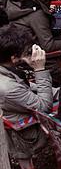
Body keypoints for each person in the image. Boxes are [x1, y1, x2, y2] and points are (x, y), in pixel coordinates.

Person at [0, 25, 51, 160]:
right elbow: (44, 107)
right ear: (14, 58)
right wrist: (40, 69)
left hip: (16, 111)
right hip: (27, 135)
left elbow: (28, 88)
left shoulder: (6, 68)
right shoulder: (8, 87)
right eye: (26, 51)